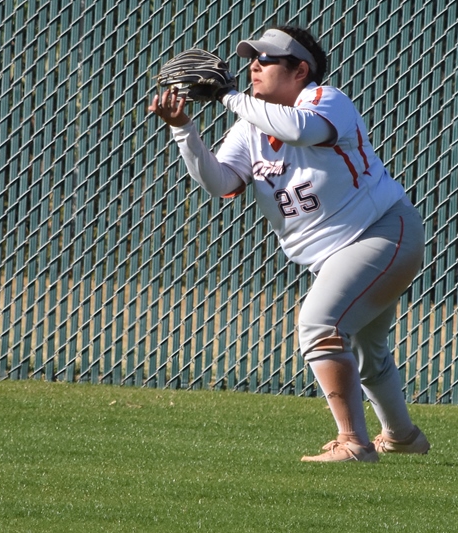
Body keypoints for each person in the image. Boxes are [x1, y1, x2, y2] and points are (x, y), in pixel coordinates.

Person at [148, 25, 429, 463]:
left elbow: (301, 130)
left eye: (266, 59)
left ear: (300, 70)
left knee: (320, 326)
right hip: (337, 254)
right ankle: (402, 437)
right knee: (366, 351)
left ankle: (353, 442)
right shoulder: (249, 126)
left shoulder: (325, 100)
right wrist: (184, 129)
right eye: (251, 59)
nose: (253, 67)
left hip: (381, 232)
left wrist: (227, 95)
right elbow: (221, 182)